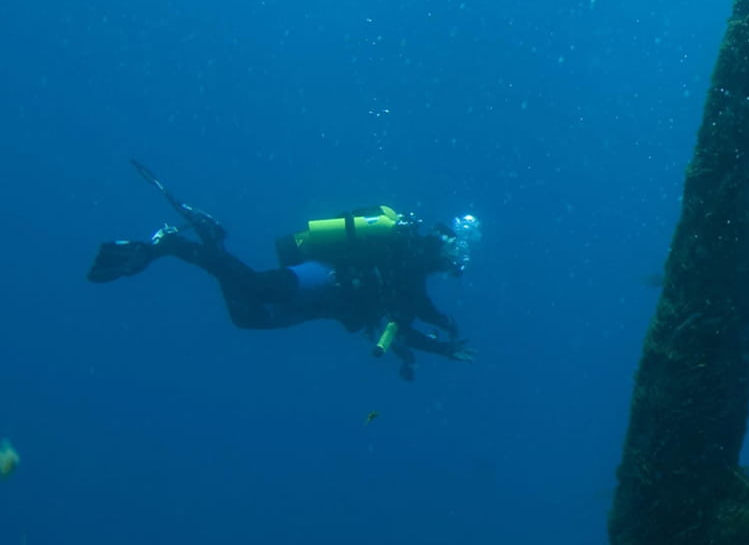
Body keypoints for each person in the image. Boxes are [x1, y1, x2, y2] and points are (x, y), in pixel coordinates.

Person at [87, 161, 477, 381]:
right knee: (257, 288)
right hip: (325, 275)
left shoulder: (410, 278)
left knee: (247, 318)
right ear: (441, 250)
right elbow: (410, 312)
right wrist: (441, 333)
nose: (450, 267)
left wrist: (442, 340)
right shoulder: (406, 257)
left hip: (324, 303)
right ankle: (176, 245)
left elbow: (406, 322)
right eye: (451, 259)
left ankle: (211, 240)